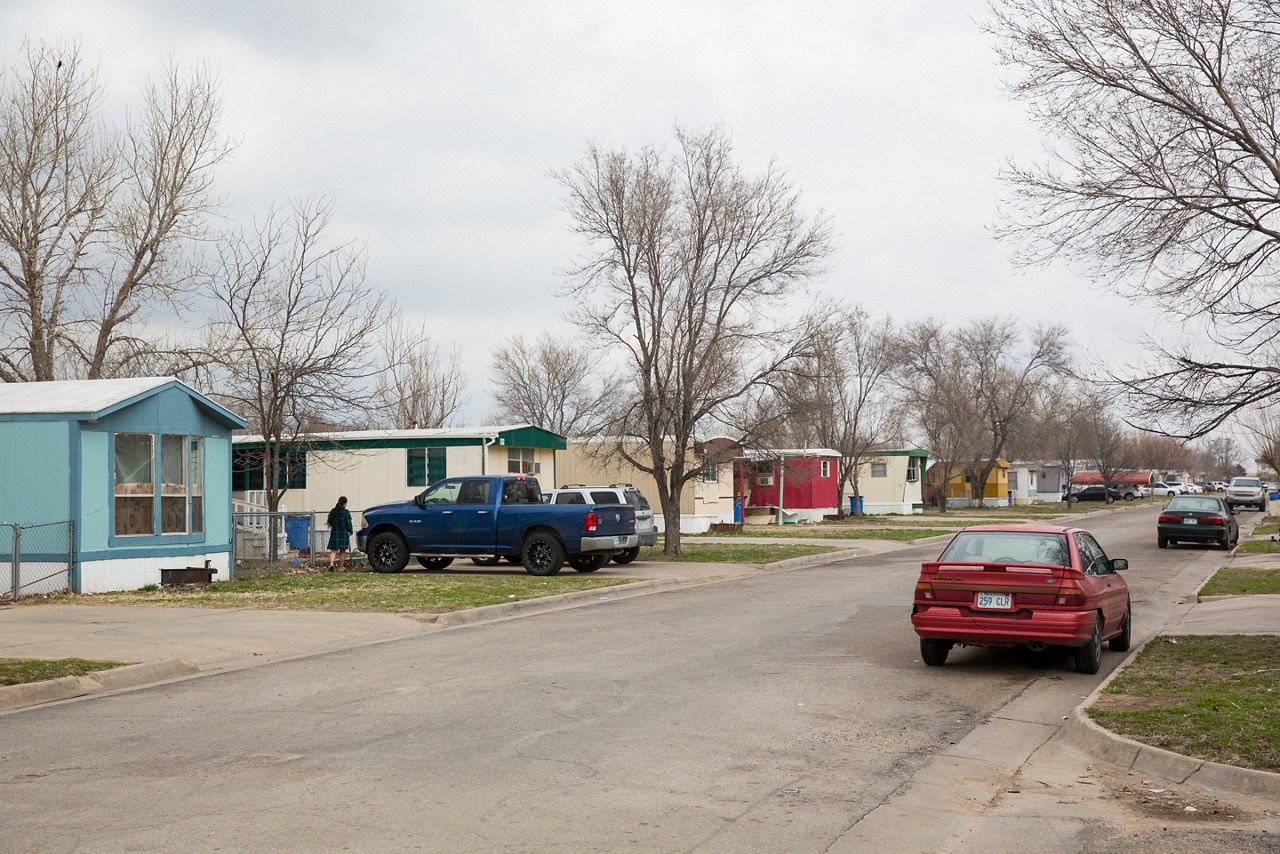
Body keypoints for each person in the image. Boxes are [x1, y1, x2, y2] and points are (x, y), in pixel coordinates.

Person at [327, 496, 353, 571]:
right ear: (345, 503)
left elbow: (329, 520)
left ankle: (331, 564)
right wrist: (350, 531)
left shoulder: (333, 511)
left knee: (333, 550)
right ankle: (340, 568)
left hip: (334, 532)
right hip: (343, 533)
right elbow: (348, 523)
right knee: (342, 551)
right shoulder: (346, 512)